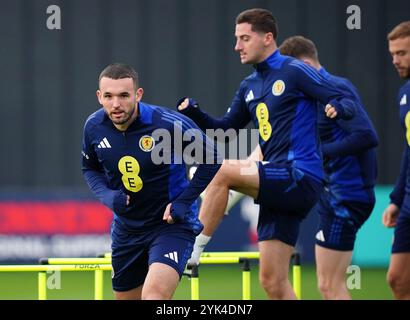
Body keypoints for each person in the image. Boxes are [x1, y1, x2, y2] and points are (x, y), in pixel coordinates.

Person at [178, 8, 359, 299]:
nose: (237, 46)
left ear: (268, 38)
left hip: (300, 175)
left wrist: (339, 109)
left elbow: (342, 97)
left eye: (244, 38)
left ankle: (191, 251)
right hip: (279, 186)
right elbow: (225, 128)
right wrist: (195, 112)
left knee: (219, 170)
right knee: (273, 283)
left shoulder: (294, 70)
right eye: (236, 39)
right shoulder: (248, 85)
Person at [81, 63, 221, 300]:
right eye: (109, 96)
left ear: (138, 94)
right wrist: (107, 196)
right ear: (99, 97)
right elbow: (89, 168)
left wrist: (185, 202)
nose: (116, 104)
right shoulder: (93, 127)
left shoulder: (167, 123)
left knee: (154, 296)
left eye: (124, 95)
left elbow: (213, 157)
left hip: (170, 226)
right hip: (127, 229)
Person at [279, 36, 378, 299]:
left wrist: (317, 154)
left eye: (294, 71)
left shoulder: (335, 87)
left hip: (346, 196)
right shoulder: (314, 94)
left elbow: (367, 136)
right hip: (334, 195)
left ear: (306, 63)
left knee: (329, 285)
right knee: (329, 284)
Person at [382, 21, 410, 300]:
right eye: (392, 54)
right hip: (409, 201)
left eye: (402, 53)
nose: (395, 60)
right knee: (397, 278)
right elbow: (408, 150)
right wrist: (397, 200)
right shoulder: (404, 94)